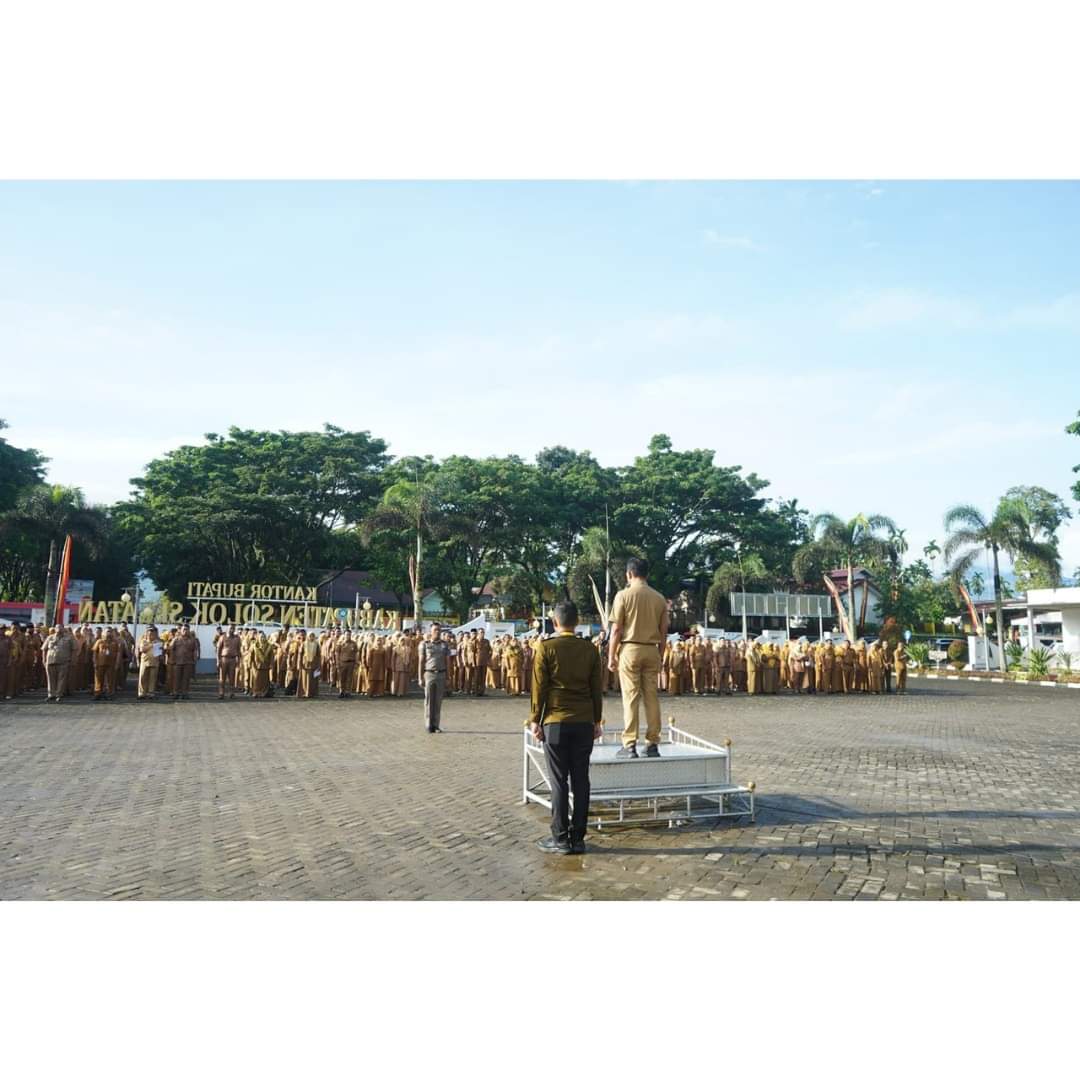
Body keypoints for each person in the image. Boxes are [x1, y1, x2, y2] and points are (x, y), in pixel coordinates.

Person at [528, 600, 603, 855]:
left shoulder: (546, 648)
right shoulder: (590, 650)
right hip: (583, 720)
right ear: (577, 622)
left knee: (559, 781)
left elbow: (539, 689)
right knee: (581, 780)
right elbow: (596, 690)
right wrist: (597, 720)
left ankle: (560, 838)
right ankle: (578, 838)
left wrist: (535, 720)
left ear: (555, 622)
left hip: (555, 721)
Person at [607, 557, 668, 759]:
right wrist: (660, 653)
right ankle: (652, 743)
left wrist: (611, 655)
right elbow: (664, 631)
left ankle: (630, 743)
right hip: (652, 649)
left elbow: (616, 629)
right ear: (646, 574)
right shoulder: (659, 598)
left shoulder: (623, 595)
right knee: (651, 697)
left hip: (630, 648)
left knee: (630, 697)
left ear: (629, 574)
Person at [418, 621, 451, 732]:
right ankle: (428, 724)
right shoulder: (424, 644)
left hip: (441, 674)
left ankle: (436, 725)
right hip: (429, 674)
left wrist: (448, 677)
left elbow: (448, 661)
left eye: (439, 630)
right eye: (435, 630)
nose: (437, 632)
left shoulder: (445, 645)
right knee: (428, 701)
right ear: (430, 632)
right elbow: (421, 661)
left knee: (438, 701)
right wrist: (420, 677)